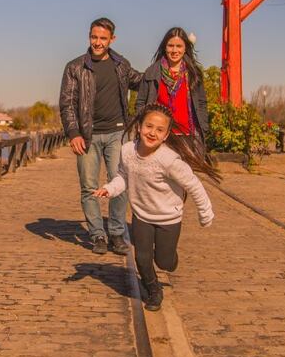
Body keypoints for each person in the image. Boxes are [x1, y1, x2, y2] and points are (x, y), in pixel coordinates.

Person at [94, 103, 219, 311]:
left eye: (159, 130)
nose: (152, 133)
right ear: (139, 126)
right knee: (142, 258)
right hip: (142, 214)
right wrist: (110, 188)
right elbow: (123, 177)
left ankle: (170, 259)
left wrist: (205, 213)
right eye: (149, 126)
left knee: (165, 262)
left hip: (168, 218)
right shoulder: (127, 151)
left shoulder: (169, 160)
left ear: (166, 134)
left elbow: (193, 184)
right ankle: (153, 291)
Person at [59, 17, 142, 255]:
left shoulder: (121, 64)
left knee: (121, 184)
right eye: (94, 37)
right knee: (88, 187)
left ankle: (116, 232)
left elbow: (141, 81)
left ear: (112, 39)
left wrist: (168, 71)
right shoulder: (75, 68)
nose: (97, 42)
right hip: (87, 136)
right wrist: (73, 133)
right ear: (89, 36)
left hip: (118, 133)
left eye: (103, 38)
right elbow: (67, 103)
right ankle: (97, 234)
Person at [135, 27, 210, 150]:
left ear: (185, 48)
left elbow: (201, 103)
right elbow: (141, 102)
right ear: (165, 47)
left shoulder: (193, 73)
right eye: (170, 46)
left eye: (179, 46)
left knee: (187, 169)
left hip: (189, 135)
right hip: (159, 136)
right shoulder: (152, 72)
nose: (174, 50)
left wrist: (204, 127)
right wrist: (143, 126)